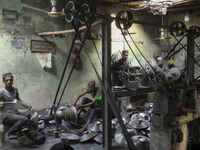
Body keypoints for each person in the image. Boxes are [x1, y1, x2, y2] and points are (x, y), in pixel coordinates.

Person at [0, 72, 32, 143]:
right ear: (3, 82)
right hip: (6, 115)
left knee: (28, 115)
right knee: (24, 119)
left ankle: (18, 132)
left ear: (12, 80)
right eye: (7, 80)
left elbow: (18, 99)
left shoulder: (15, 89)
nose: (9, 82)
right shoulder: (1, 92)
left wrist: (27, 104)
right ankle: (8, 133)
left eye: (10, 80)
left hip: (15, 113)